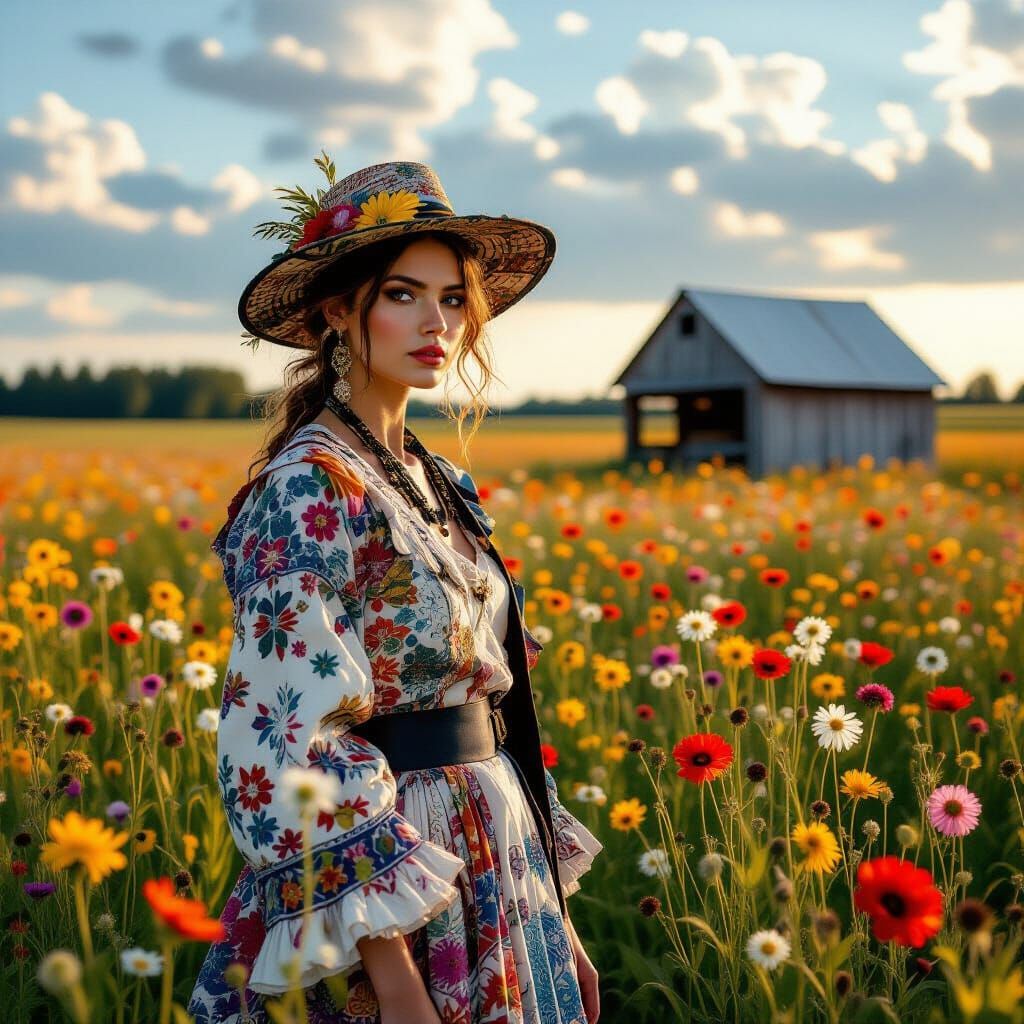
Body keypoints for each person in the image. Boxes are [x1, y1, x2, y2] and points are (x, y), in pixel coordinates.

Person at [188, 160, 603, 1024]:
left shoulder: (437, 477)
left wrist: (556, 924)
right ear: (339, 311)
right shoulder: (307, 487)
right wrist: (395, 979)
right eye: (404, 294)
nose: (437, 323)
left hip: (496, 856)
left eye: (454, 299)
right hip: (383, 880)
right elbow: (284, 744)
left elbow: (495, 698)